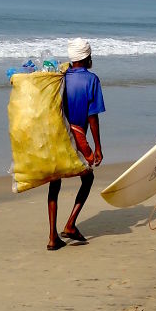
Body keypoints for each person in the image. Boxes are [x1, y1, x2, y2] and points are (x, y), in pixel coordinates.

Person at [46, 38, 105, 251]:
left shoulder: (59, 77)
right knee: (87, 178)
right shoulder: (91, 80)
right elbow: (92, 117)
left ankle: (53, 237)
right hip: (77, 135)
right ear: (87, 57)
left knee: (55, 182)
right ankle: (70, 224)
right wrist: (97, 146)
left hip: (57, 135)